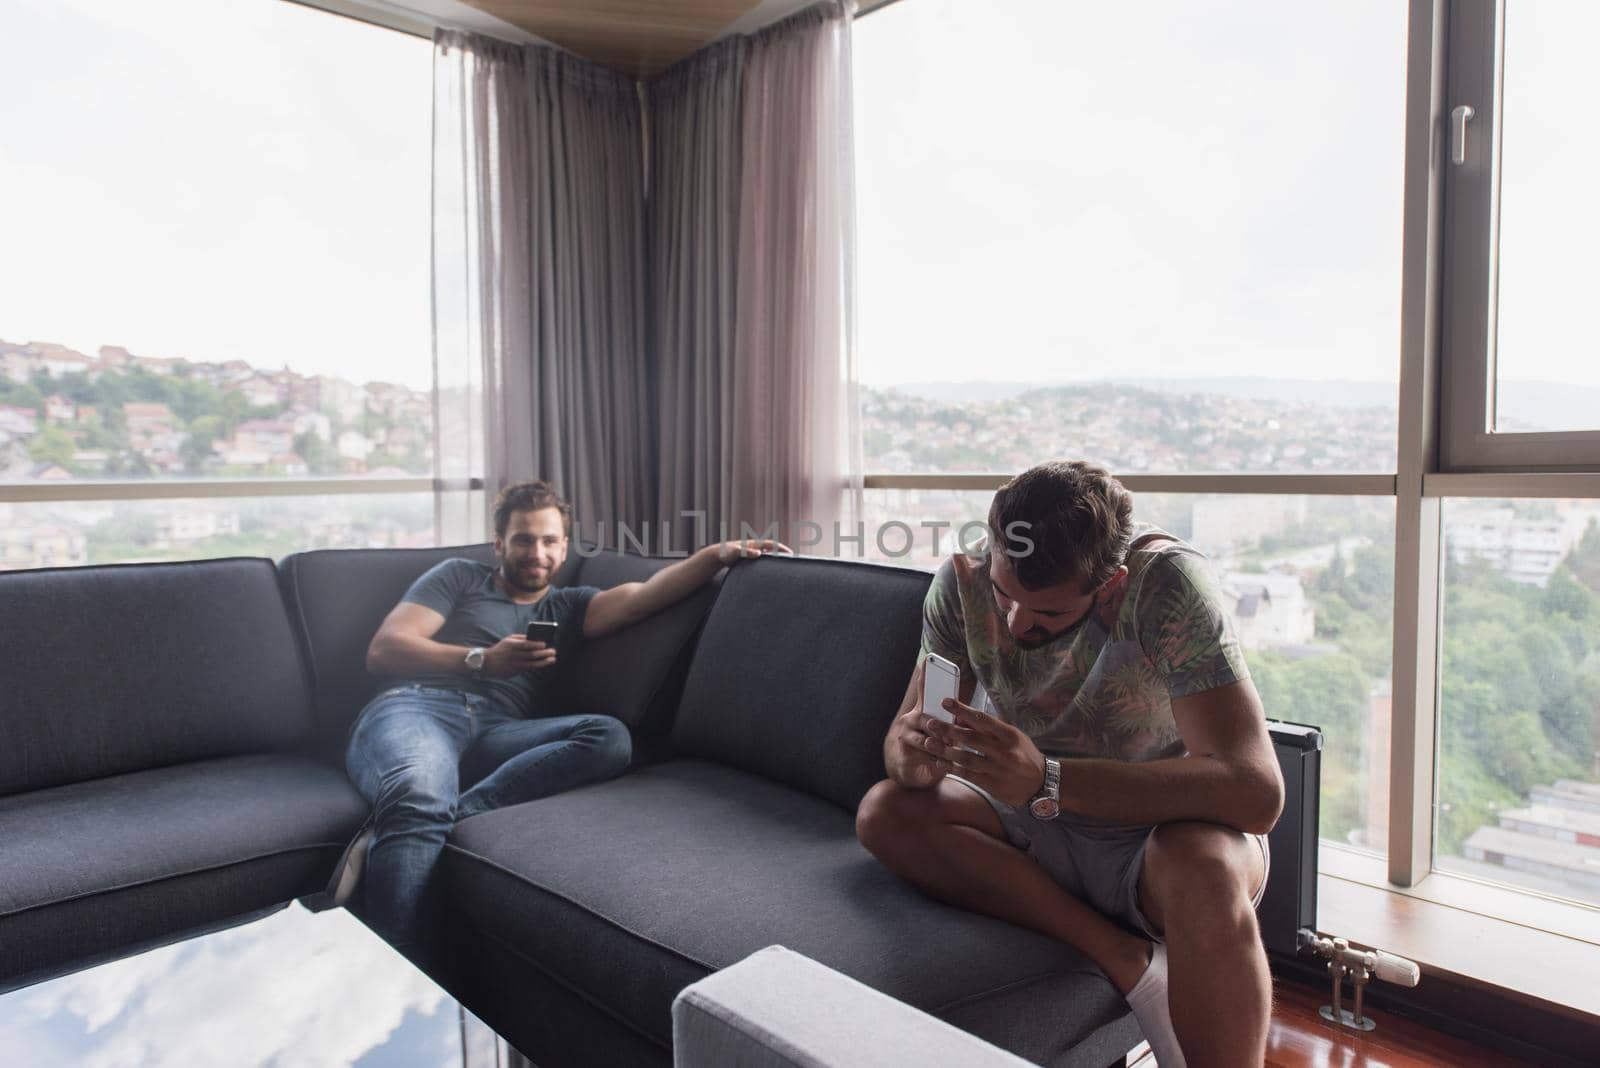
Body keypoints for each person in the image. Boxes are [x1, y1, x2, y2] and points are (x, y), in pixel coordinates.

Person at [855, 461, 1283, 1068]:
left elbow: (1256, 792)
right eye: (1005, 596)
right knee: (886, 812)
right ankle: (1123, 957)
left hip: (1156, 839)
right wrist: (912, 754)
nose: (1013, 622)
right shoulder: (963, 579)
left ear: (1109, 589)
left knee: (1204, 867)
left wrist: (1049, 779)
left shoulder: (1168, 587)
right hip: (1034, 820)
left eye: (1047, 615)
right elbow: (905, 745)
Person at [346, 479, 785, 956]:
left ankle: (428, 825)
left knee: (608, 736)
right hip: (418, 708)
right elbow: (385, 649)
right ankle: (401, 953)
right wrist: (482, 660)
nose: (537, 551)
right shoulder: (459, 577)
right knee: (418, 790)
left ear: (564, 547)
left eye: (549, 541)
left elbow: (647, 595)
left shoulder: (570, 606)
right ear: (499, 544)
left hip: (498, 733)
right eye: (524, 539)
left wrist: (717, 556)